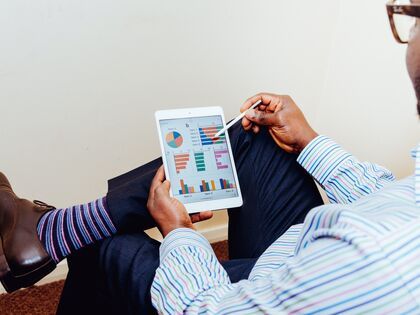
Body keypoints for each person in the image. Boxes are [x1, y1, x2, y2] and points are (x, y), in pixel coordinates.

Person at [0, 0, 419, 313]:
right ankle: (43, 236)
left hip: (268, 290)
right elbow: (390, 201)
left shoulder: (381, 258)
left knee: (104, 246)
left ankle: (53, 235)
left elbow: (208, 309)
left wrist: (180, 232)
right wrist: (308, 141)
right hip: (306, 256)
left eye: (414, 14)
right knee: (253, 136)